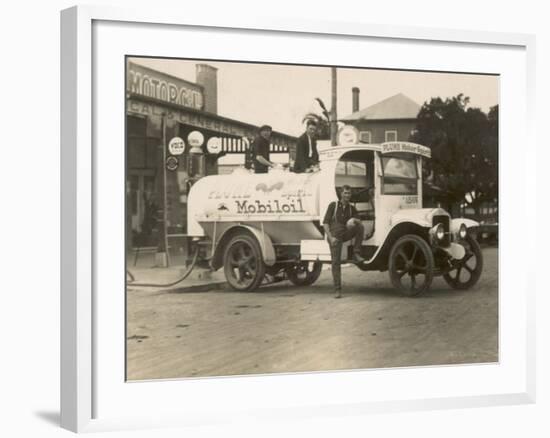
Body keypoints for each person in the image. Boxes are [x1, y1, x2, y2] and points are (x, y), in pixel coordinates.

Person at [323, 185, 366, 298]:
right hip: (335, 237)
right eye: (345, 193)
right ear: (341, 194)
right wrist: (331, 238)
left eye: (349, 193)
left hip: (345, 234)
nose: (347, 195)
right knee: (336, 262)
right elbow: (325, 223)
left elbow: (360, 222)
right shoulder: (334, 205)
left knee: (360, 227)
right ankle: (337, 290)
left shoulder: (351, 208)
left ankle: (356, 253)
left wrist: (353, 219)